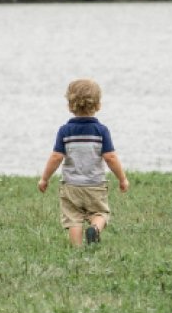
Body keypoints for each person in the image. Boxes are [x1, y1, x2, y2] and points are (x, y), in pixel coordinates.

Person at [37, 78, 129, 246]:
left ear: (70, 105)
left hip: (71, 185)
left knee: (73, 218)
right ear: (98, 105)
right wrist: (122, 179)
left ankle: (77, 250)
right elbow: (110, 157)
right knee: (100, 212)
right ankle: (95, 228)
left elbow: (56, 157)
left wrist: (45, 179)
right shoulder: (101, 130)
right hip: (95, 184)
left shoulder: (65, 131)